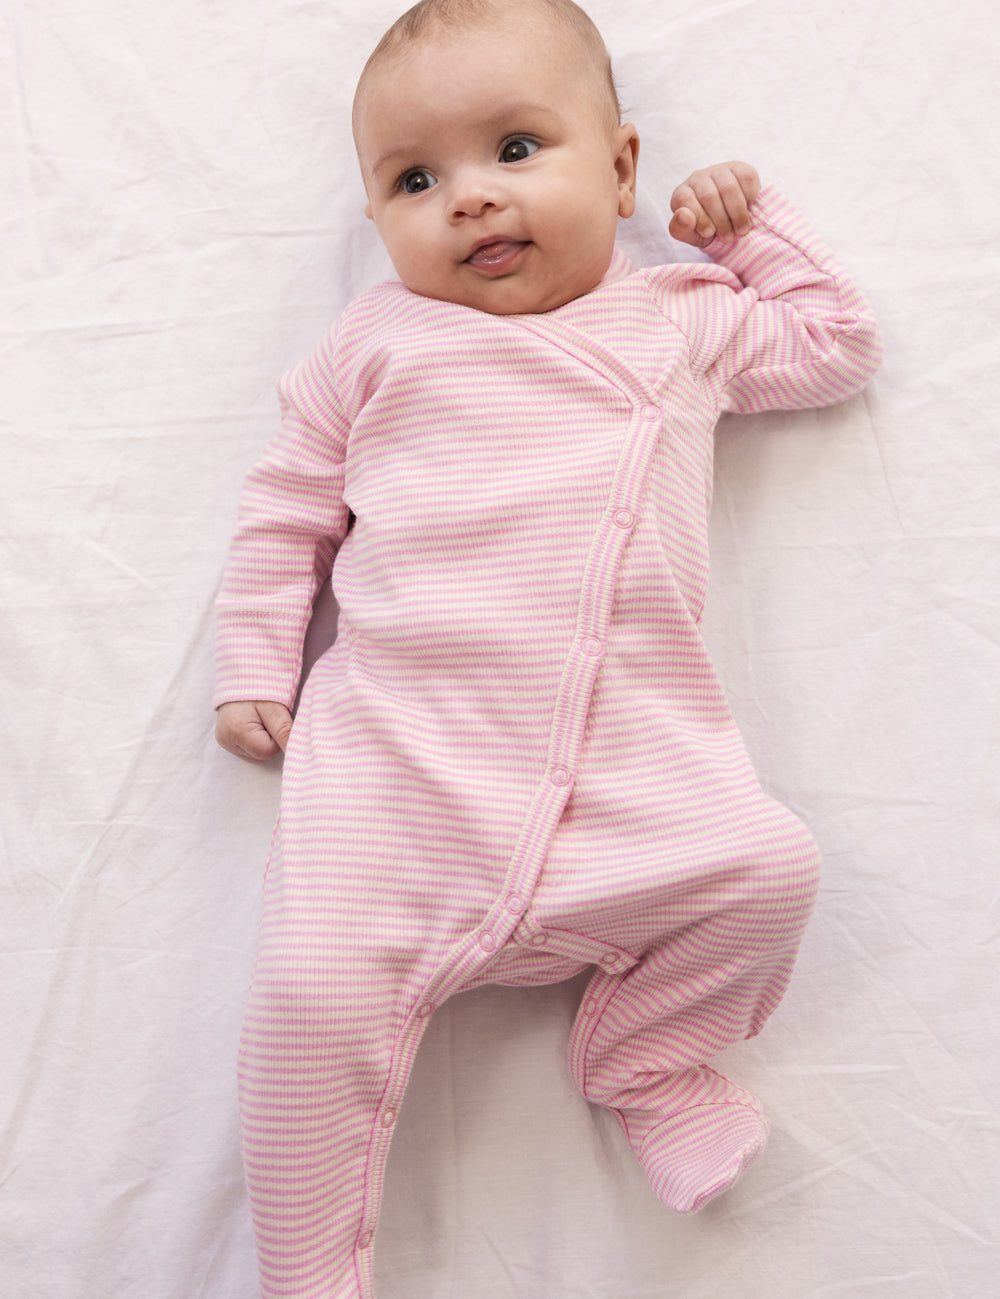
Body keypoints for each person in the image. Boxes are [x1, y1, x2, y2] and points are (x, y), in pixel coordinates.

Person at [213, 0, 881, 1294]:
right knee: (305, 1005)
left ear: (623, 170)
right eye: (416, 179)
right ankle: (304, 1277)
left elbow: (834, 345)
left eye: (517, 149)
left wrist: (747, 232)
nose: (469, 199)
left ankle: (645, 1058)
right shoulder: (376, 344)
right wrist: (254, 660)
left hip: (632, 796)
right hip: (398, 789)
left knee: (768, 872)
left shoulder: (678, 318)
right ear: (376, 222)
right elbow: (287, 500)